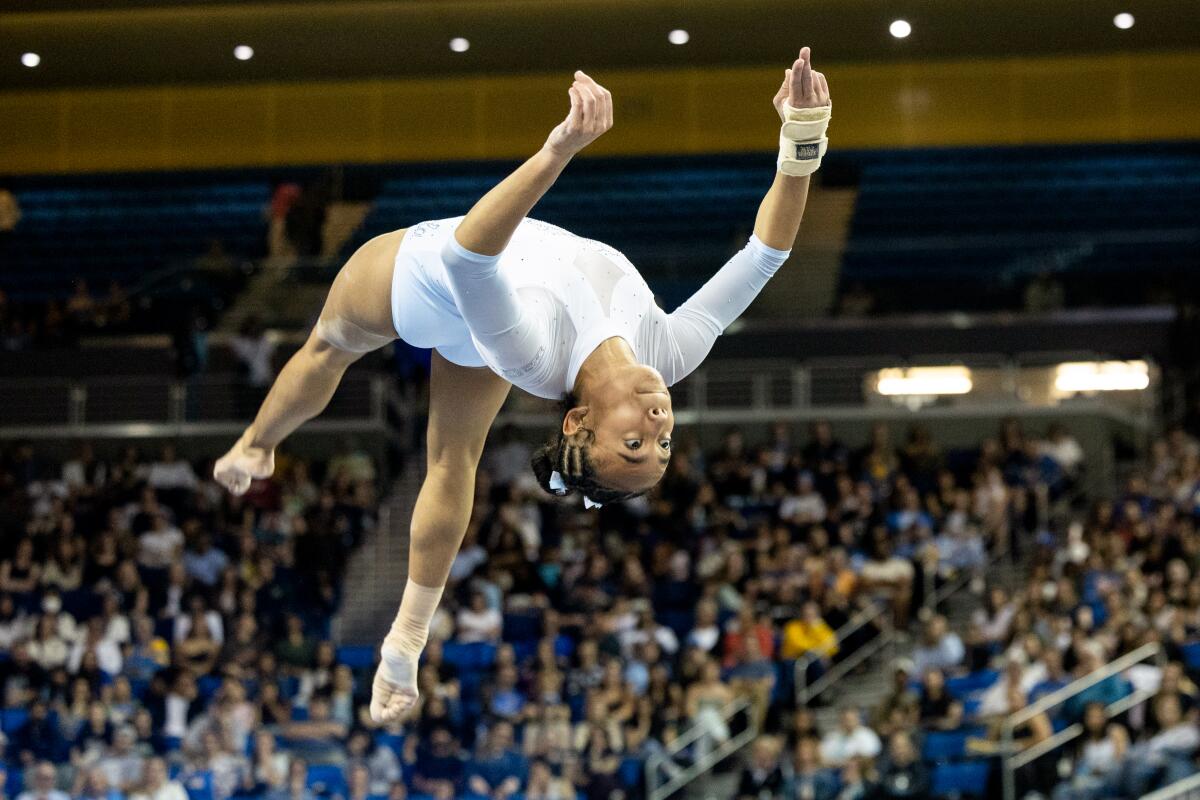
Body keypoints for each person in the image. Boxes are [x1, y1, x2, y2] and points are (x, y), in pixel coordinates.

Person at [212, 49, 833, 723]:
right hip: (486, 313)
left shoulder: (533, 355)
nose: (658, 423)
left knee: (332, 345)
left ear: (577, 423)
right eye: (663, 441)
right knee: (453, 459)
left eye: (633, 441)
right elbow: (766, 254)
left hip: (425, 283)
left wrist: (559, 148)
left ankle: (257, 444)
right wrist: (802, 136)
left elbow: (466, 255)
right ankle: (405, 640)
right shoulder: (671, 351)